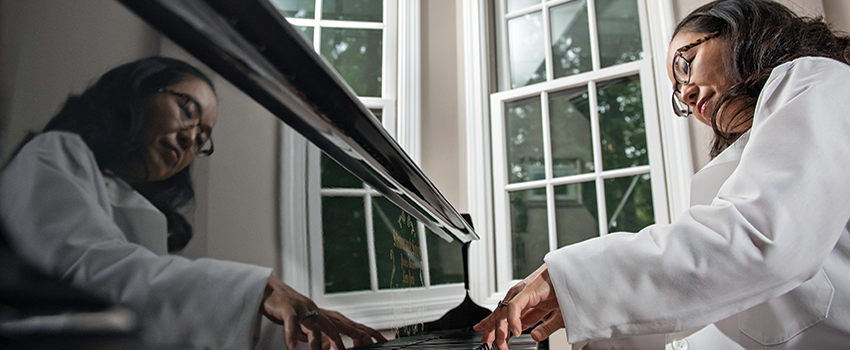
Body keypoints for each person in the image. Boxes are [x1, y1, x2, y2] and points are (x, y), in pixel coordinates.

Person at [474, 0, 850, 349]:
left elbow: (760, 244)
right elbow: (720, 308)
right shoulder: (757, 153)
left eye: (684, 64)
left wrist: (570, 280)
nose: (685, 94)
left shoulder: (819, 80)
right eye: (677, 90)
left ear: (740, 29)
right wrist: (592, 313)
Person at [0, 57, 387, 349]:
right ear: (138, 89)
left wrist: (303, 327)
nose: (191, 139)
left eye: (202, 137)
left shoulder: (137, 208)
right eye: (187, 112)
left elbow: (167, 309)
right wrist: (261, 290)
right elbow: (86, 275)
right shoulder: (53, 152)